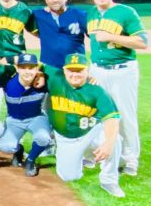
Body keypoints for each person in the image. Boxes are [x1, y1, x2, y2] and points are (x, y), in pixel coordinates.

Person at [87, 0, 147, 176]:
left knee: (125, 115)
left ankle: (130, 160)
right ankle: (104, 154)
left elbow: (142, 42)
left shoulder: (126, 12)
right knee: (98, 114)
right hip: (98, 70)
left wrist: (111, 37)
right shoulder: (91, 13)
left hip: (123, 70)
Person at [46, 53, 125, 197]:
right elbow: (28, 66)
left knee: (114, 140)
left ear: (87, 71)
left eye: (79, 70)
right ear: (64, 70)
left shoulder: (97, 91)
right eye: (71, 70)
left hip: (90, 132)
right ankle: (87, 157)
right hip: (66, 139)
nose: (75, 74)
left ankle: (109, 180)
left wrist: (108, 143)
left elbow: (112, 118)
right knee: (68, 176)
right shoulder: (54, 77)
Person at [0, 53, 51, 177]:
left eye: (31, 68)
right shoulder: (7, 80)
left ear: (37, 68)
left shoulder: (44, 82)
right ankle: (19, 150)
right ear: (17, 68)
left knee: (44, 138)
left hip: (36, 118)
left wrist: (42, 75)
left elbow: (59, 74)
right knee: (6, 147)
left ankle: (30, 160)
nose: (27, 71)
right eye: (23, 67)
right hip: (14, 120)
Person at [30, 0, 86, 69]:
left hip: (75, 67)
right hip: (49, 69)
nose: (54, 0)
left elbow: (93, 37)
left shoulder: (80, 15)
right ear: (46, 0)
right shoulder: (38, 15)